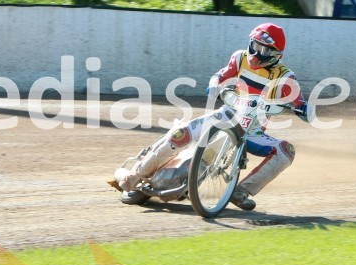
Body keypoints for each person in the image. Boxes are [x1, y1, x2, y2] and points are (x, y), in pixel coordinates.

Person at [110, 23, 314, 211]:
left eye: (264, 50)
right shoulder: (239, 57)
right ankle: (136, 174)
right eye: (255, 45)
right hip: (225, 114)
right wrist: (216, 83)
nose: (256, 53)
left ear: (277, 54)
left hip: (253, 131)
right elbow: (220, 75)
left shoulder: (285, 76)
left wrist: (304, 110)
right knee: (182, 133)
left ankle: (241, 191)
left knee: (286, 151)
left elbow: (300, 103)